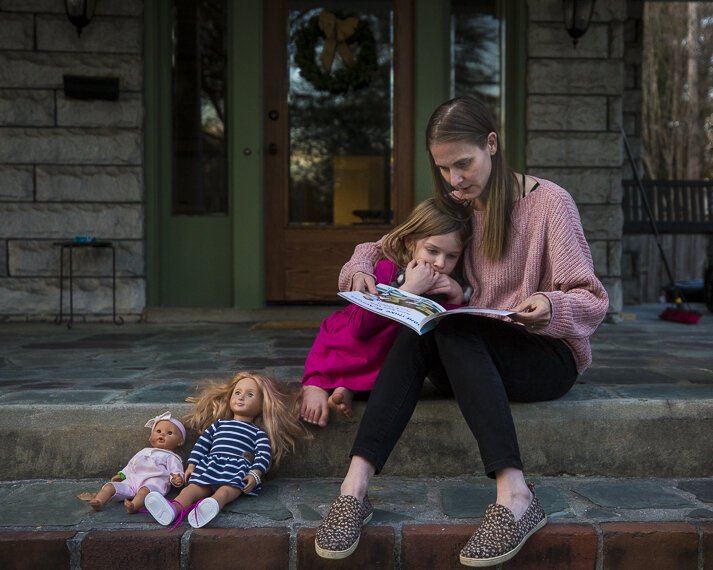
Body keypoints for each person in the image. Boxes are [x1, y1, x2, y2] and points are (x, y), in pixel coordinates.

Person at [313, 95, 609, 566]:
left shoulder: (551, 203)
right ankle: (354, 488)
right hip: (470, 352)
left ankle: (515, 497)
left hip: (543, 357)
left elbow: (592, 300)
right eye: (445, 168)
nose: (455, 179)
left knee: (447, 328)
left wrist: (550, 304)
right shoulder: (456, 203)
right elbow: (382, 244)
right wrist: (361, 266)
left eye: (464, 164)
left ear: (491, 144)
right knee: (426, 320)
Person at [301, 198, 471, 427]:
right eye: (432, 251)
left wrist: (456, 298)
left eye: (452, 256)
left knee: (398, 360)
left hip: (389, 357)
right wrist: (408, 290)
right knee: (348, 353)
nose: (441, 263)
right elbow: (361, 329)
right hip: (353, 342)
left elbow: (445, 328)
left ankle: (349, 389)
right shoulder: (387, 269)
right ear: (411, 243)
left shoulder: (450, 284)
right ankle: (316, 385)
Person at [144, 372, 310, 528]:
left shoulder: (258, 433)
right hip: (211, 465)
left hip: (237, 470)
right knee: (190, 489)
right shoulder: (218, 425)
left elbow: (263, 455)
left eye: (250, 395)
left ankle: (210, 507)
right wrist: (192, 465)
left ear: (262, 405)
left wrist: (255, 474)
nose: (241, 397)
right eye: (237, 392)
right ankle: (172, 510)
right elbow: (202, 445)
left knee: (224, 492)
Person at [89, 411, 186, 513]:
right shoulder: (143, 451)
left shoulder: (172, 457)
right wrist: (122, 475)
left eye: (169, 433)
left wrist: (177, 479)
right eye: (158, 431)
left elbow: (176, 471)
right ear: (150, 437)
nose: (162, 434)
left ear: (180, 441)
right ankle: (99, 501)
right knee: (110, 486)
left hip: (153, 482)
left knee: (145, 492)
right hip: (132, 480)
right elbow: (131, 464)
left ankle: (133, 506)